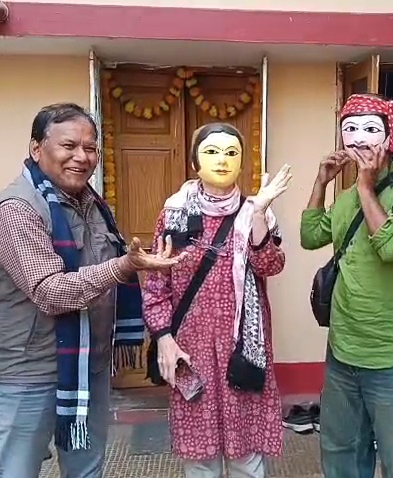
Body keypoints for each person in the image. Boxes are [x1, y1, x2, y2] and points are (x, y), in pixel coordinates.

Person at [0, 102, 180, 478]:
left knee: (86, 470)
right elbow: (49, 291)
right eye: (69, 146)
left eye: (90, 148)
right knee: (18, 472)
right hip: (29, 373)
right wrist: (124, 267)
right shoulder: (16, 209)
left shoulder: (93, 205)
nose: (81, 157)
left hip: (89, 364)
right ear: (36, 149)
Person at [143, 122, 291, 478]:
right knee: (200, 457)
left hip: (243, 347)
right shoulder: (174, 213)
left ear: (242, 163)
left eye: (231, 153)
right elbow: (155, 282)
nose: (222, 160)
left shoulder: (258, 212)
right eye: (211, 151)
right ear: (195, 162)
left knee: (246, 457)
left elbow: (269, 265)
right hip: (190, 349)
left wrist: (257, 213)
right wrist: (163, 338)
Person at [300, 93, 393, 478]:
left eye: (370, 130)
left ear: (390, 137)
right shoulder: (344, 199)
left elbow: (391, 247)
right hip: (343, 350)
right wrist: (321, 181)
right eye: (350, 130)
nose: (359, 140)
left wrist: (365, 186)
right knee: (341, 452)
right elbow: (310, 235)